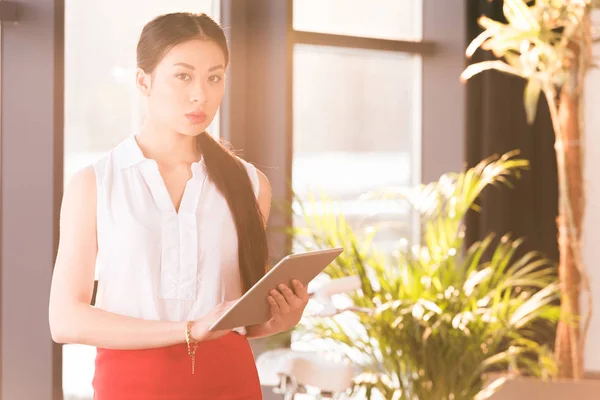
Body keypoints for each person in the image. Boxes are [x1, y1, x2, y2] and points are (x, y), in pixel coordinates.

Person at [49, 12, 309, 399]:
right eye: (183, 76)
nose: (200, 94)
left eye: (214, 78)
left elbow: (244, 321)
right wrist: (189, 330)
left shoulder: (251, 184)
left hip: (231, 382)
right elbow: (65, 320)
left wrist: (282, 317)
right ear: (143, 80)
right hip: (130, 386)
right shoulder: (96, 183)